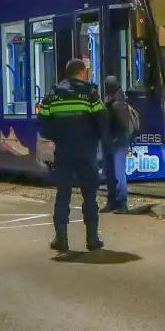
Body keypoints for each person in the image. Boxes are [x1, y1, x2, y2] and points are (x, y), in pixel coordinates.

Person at [37, 58, 110, 253]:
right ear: (82, 73)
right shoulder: (90, 94)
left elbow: (42, 124)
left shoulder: (52, 95)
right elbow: (103, 120)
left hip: (63, 151)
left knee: (63, 194)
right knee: (89, 194)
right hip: (86, 151)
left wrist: (58, 136)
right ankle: (92, 240)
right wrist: (95, 138)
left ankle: (61, 240)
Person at [101, 76, 132, 214]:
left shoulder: (116, 103)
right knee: (111, 173)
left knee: (117, 174)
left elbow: (122, 125)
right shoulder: (116, 100)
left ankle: (121, 203)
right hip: (113, 141)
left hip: (116, 141)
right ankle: (114, 202)